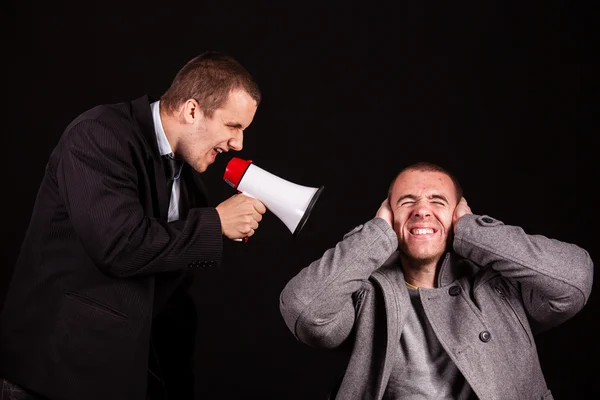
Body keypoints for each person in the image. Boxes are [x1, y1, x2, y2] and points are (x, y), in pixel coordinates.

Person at [0, 51, 267, 400]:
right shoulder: (98, 136)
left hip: (111, 378)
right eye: (233, 126)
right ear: (191, 110)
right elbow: (118, 246)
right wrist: (214, 223)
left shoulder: (189, 186)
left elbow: (165, 294)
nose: (238, 144)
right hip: (51, 375)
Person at [279, 161, 593, 400]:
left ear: (459, 213)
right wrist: (375, 235)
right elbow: (304, 310)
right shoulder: (365, 294)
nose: (422, 211)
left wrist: (474, 231)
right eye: (407, 202)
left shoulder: (500, 283)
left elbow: (574, 279)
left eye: (437, 201)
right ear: (389, 216)